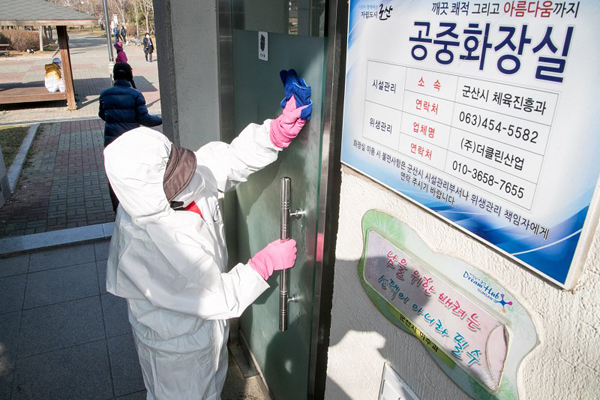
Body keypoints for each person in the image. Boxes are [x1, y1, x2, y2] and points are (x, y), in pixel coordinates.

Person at [103, 69, 311, 400]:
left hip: (205, 333)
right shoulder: (144, 249)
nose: (186, 178)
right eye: (175, 179)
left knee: (212, 389)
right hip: (174, 351)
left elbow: (225, 160)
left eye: (179, 165)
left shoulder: (174, 181)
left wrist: (276, 132)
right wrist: (262, 264)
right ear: (150, 196)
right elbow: (214, 295)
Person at [99, 62, 162, 210]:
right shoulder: (135, 94)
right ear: (129, 75)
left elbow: (103, 115)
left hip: (111, 142)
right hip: (131, 143)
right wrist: (162, 118)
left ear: (114, 75)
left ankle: (118, 211)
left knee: (114, 177)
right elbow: (145, 119)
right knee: (135, 176)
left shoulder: (104, 94)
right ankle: (134, 209)